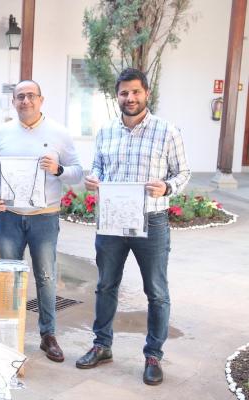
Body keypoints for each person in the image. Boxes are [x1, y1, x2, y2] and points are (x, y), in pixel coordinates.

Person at [75, 68, 191, 385]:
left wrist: (167, 187)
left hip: (151, 221)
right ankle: (102, 345)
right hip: (112, 221)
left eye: (136, 92)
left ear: (146, 93)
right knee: (105, 286)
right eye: (124, 92)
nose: (130, 98)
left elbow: (183, 173)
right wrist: (94, 179)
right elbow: (98, 166)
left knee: (156, 292)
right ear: (117, 96)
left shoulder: (167, 131)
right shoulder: (106, 131)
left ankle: (153, 356)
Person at [0, 79, 82, 362]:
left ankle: (48, 335)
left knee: (46, 277)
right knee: (9, 276)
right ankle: (9, 332)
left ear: (41, 100)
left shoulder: (59, 133)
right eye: (20, 97)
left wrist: (59, 169)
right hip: (9, 217)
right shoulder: (1, 134)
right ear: (13, 101)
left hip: (44, 218)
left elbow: (77, 172)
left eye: (31, 96)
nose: (25, 101)